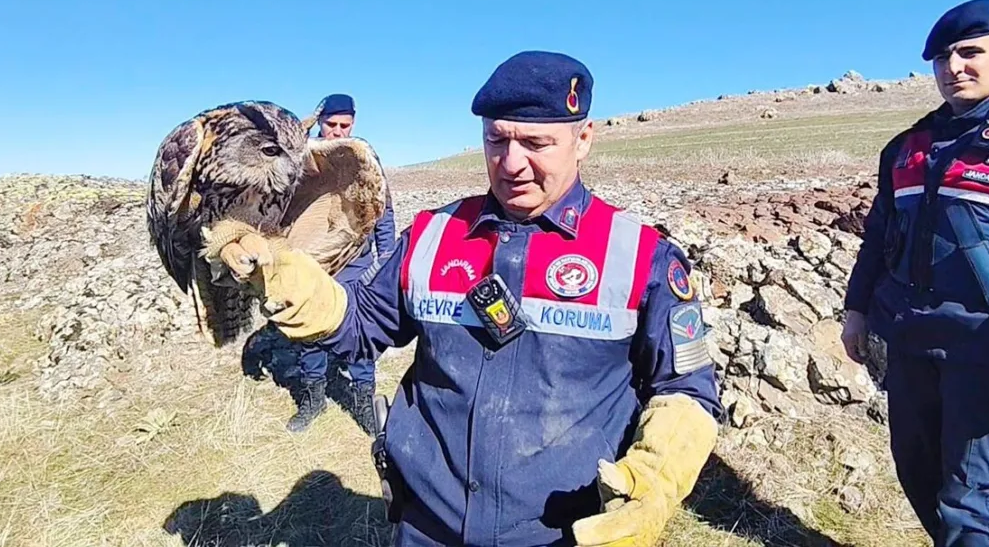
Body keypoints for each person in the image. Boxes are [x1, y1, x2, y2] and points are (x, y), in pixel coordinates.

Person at [207, 50, 723, 546]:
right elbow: (362, 326)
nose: (512, 163)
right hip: (426, 525)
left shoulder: (643, 258)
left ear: (583, 139)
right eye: (497, 140)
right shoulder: (432, 236)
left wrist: (656, 480)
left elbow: (685, 388)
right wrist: (285, 276)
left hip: (564, 534)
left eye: (536, 144)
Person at [841, 0, 989, 546]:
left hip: (988, 356)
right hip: (910, 347)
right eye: (943, 58)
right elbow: (878, 238)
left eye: (971, 53)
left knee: (971, 503)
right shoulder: (906, 148)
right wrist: (856, 310)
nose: (954, 67)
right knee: (918, 476)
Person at [242, 93, 397, 435]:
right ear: (320, 121)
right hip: (310, 263)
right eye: (331, 124)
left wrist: (386, 258)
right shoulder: (298, 161)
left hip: (356, 266)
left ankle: (363, 403)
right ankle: (313, 400)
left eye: (345, 125)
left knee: (360, 334)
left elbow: (383, 213)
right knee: (309, 335)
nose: (338, 132)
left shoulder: (361, 159)